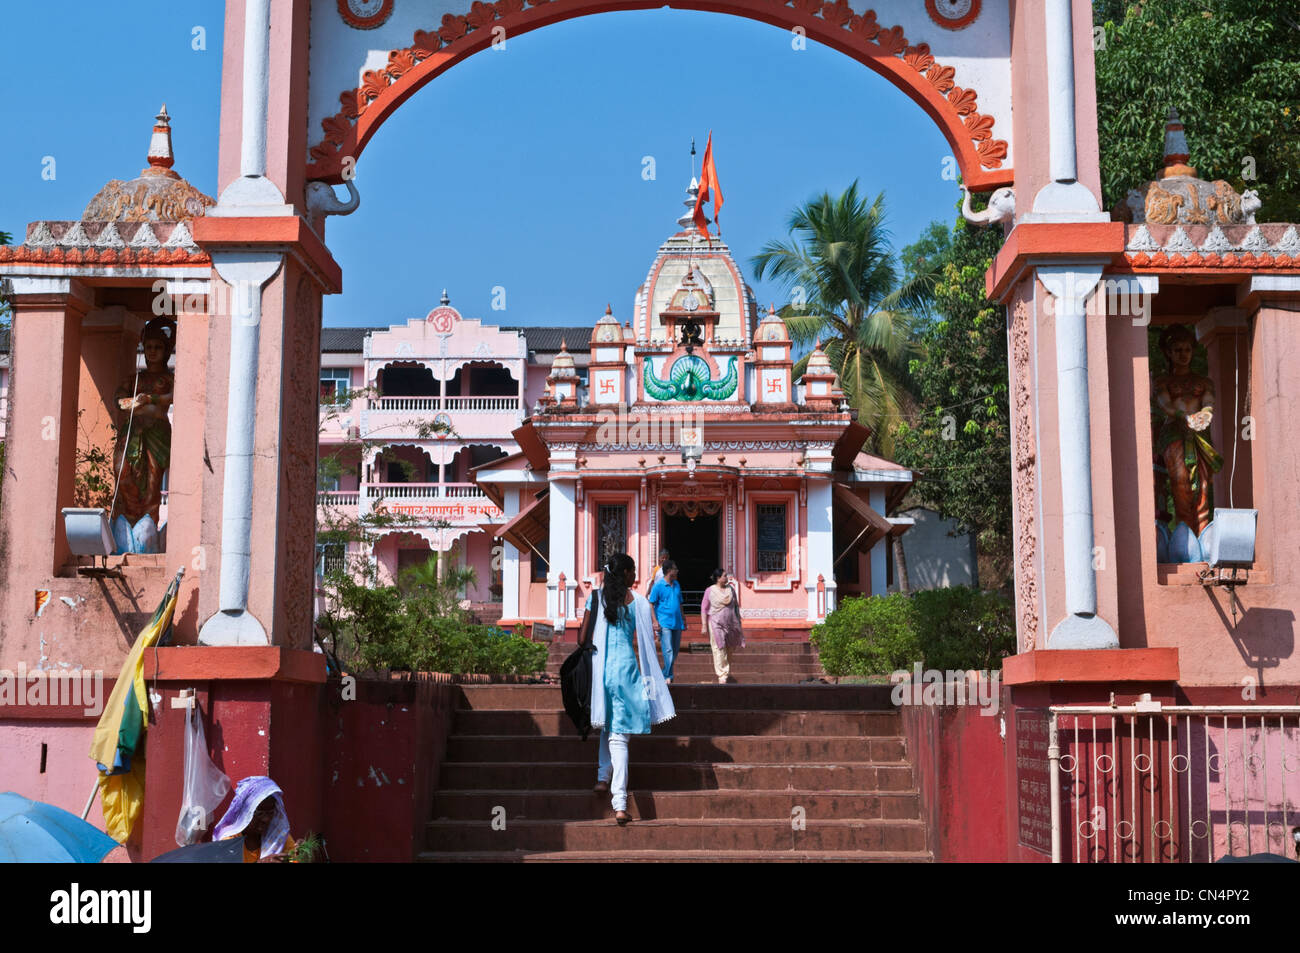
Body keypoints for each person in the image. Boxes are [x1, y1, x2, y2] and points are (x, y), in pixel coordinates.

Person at [583, 552, 675, 824]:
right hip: (625, 671)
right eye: (633, 571)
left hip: (601, 672)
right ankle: (620, 803)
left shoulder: (596, 599)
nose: (636, 576)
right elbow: (648, 642)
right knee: (620, 736)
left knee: (608, 722)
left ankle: (602, 777)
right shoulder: (638, 602)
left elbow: (581, 638)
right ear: (624, 574)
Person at [1151, 324, 1222, 537]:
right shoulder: (1163, 382)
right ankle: (1185, 536)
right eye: (1178, 350)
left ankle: (1203, 536)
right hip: (1174, 436)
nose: (1184, 355)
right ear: (1169, 353)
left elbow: (1209, 402)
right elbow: (1166, 405)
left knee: (1200, 486)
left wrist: (1206, 413)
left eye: (1188, 349)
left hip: (1198, 436)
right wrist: (1184, 417)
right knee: (1181, 482)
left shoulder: (1203, 382)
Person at [112, 317, 176, 553]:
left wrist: (149, 400)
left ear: (167, 350)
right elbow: (118, 400)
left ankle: (147, 529)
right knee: (122, 471)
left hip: (156, 434)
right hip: (132, 433)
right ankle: (126, 522)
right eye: (148, 347)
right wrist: (133, 403)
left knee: (151, 482)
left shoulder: (169, 377)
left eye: (158, 347)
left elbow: (173, 396)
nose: (152, 352)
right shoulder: (133, 378)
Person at [211, 776, 297, 862]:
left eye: (270, 812)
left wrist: (302, 854)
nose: (266, 819)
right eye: (260, 813)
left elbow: (293, 859)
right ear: (245, 812)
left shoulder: (276, 836)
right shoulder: (230, 841)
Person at [701, 568, 744, 684]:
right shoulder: (710, 591)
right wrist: (704, 625)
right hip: (715, 623)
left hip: (730, 624)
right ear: (718, 578)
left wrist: (738, 621)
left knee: (729, 648)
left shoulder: (731, 590)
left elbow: (735, 606)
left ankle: (726, 670)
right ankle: (722, 674)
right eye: (724, 576)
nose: (727, 578)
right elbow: (704, 609)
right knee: (719, 647)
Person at [647, 559, 685, 683]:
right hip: (664, 622)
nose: (677, 571)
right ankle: (667, 676)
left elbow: (680, 603)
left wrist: (683, 617)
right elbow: (651, 603)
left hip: (677, 622)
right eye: (675, 569)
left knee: (675, 650)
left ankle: (664, 672)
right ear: (669, 571)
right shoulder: (658, 586)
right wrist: (654, 621)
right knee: (668, 650)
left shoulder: (677, 584)